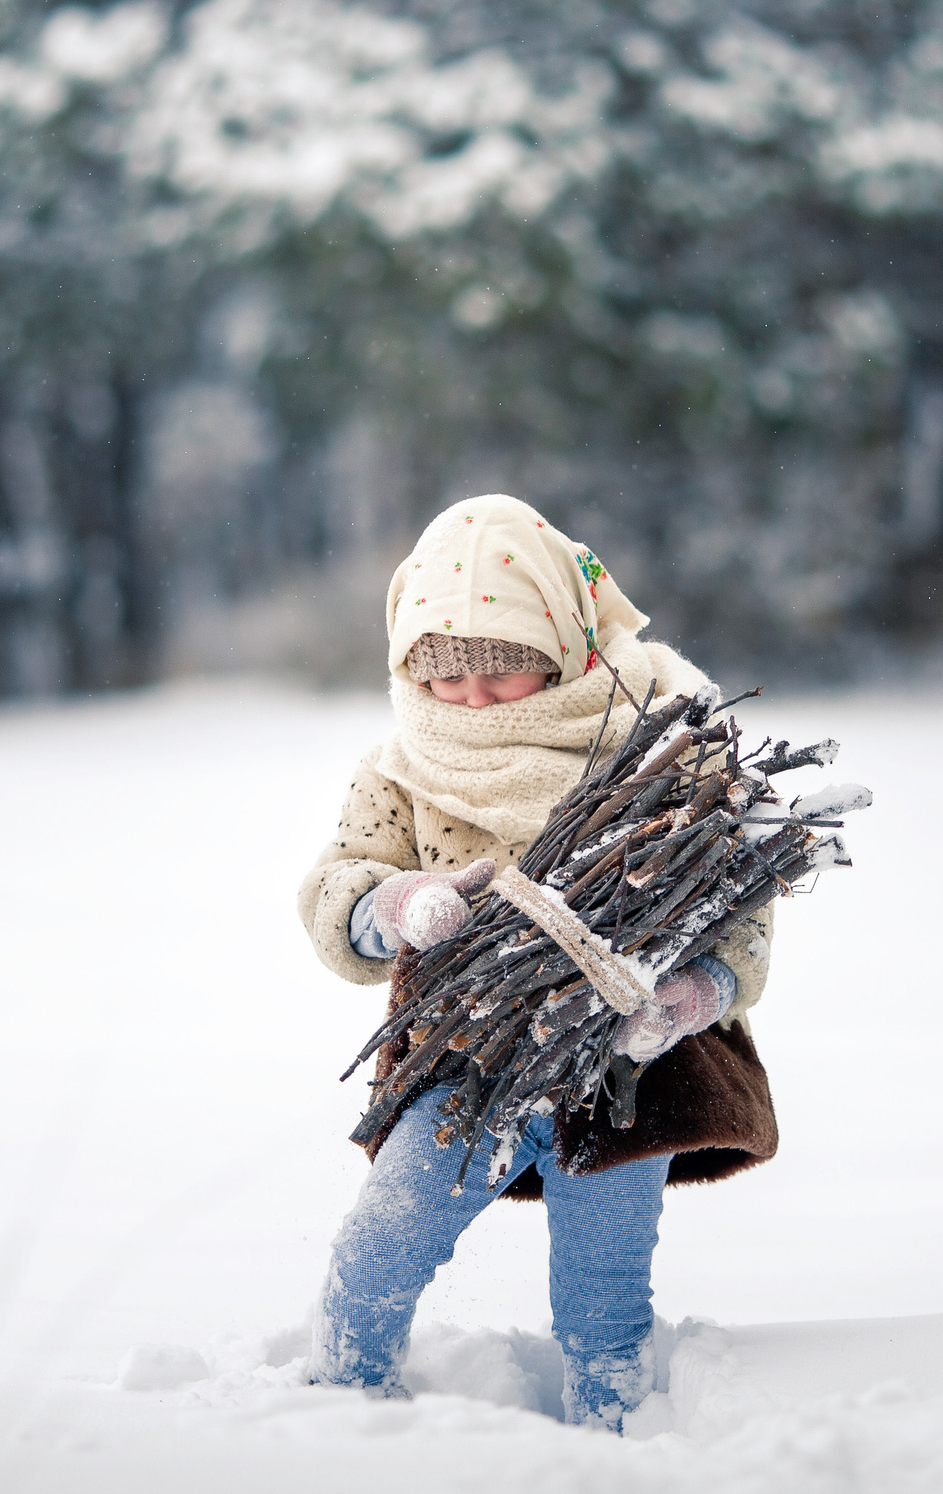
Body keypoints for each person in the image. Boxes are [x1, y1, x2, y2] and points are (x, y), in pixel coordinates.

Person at [295, 493, 779, 1430]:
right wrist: (389, 907)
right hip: (466, 1059)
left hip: (627, 1075)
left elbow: (742, 916)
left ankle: (612, 1432)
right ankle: (336, 1414)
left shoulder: (653, 748)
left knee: (604, 1284)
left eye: (502, 673)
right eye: (441, 677)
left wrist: (691, 995)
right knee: (383, 1241)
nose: (469, 698)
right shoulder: (400, 768)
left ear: (562, 651)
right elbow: (336, 883)